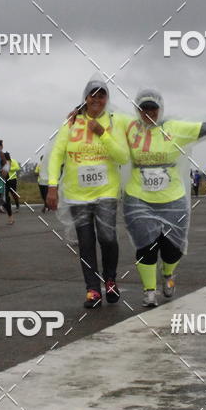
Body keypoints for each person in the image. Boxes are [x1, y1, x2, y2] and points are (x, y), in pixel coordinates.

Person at [123, 89, 206, 307]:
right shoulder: (128, 129)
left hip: (172, 198)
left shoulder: (175, 129)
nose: (148, 113)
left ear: (159, 109)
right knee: (145, 245)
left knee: (171, 247)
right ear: (137, 110)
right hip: (139, 198)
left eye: (152, 108)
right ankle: (149, 291)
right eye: (143, 108)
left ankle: (168, 274)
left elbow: (204, 128)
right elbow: (104, 124)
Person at [47, 78, 129, 308]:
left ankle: (110, 281)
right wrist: (52, 185)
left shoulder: (114, 122)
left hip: (106, 192)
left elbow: (122, 157)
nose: (97, 99)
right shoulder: (71, 123)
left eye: (102, 95)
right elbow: (56, 155)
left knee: (107, 237)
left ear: (107, 99)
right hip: (77, 194)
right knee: (85, 242)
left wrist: (102, 132)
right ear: (85, 98)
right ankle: (93, 289)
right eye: (93, 95)